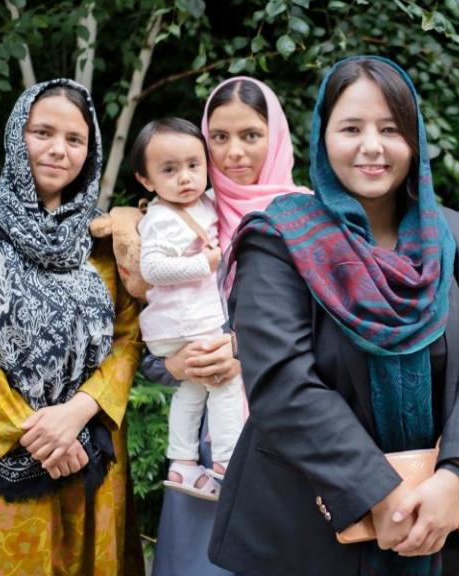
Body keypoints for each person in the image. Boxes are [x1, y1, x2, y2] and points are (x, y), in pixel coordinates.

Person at [208, 55, 459, 576]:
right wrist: (378, 493)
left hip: (436, 519)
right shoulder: (280, 239)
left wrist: (454, 476)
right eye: (351, 128)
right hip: (309, 528)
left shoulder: (449, 236)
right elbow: (283, 384)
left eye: (390, 129)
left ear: (414, 141)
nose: (372, 146)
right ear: (323, 136)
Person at [0, 79, 144, 575]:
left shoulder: (101, 238)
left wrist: (78, 412)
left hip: (91, 458)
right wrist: (33, 431)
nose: (58, 150)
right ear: (18, 133)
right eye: (43, 132)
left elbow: (128, 338)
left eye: (75, 139)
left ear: (91, 149)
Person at [148, 76, 311, 576]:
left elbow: (332, 339)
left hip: (289, 438)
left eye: (250, 135)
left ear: (276, 135)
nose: (234, 152)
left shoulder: (309, 215)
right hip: (208, 455)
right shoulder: (186, 215)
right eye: (218, 137)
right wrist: (171, 363)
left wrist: (244, 349)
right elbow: (150, 336)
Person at [131, 117, 245, 500]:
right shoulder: (160, 219)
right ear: (146, 180)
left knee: (192, 392)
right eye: (169, 170)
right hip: (186, 321)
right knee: (225, 383)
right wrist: (204, 264)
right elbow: (152, 268)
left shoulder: (205, 203)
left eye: (194, 166)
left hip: (176, 324)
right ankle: (228, 463)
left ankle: (182, 464)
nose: (185, 178)